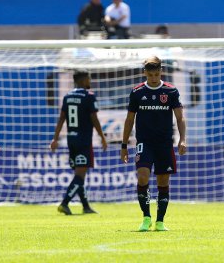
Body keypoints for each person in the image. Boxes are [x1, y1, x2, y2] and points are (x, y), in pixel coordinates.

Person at [120, 56, 187, 231]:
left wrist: (182, 139)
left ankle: (160, 221)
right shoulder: (137, 92)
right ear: (145, 74)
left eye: (157, 74)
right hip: (144, 142)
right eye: (150, 75)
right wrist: (124, 145)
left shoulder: (171, 91)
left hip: (164, 143)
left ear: (161, 72)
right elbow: (129, 120)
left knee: (163, 182)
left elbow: (180, 117)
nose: (154, 78)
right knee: (142, 175)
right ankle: (146, 218)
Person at [50, 71, 107, 215]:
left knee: (79, 172)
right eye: (89, 78)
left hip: (71, 139)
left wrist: (55, 138)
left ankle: (86, 206)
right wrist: (102, 137)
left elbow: (62, 118)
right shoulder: (89, 96)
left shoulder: (67, 96)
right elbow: (94, 119)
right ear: (83, 80)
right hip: (83, 140)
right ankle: (64, 203)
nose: (90, 81)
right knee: (80, 175)